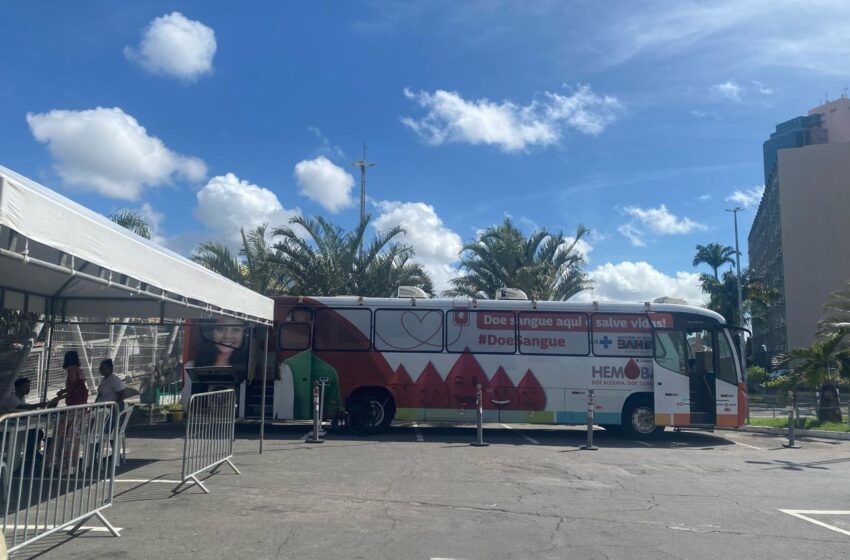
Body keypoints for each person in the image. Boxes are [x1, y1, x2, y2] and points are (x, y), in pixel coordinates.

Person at [45, 351, 90, 471]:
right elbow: (77, 386)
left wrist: (59, 397)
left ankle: (55, 462)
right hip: (81, 406)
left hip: (73, 406)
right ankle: (70, 464)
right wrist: (64, 392)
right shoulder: (80, 370)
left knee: (61, 435)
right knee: (73, 436)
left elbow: (72, 387)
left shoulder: (71, 369)